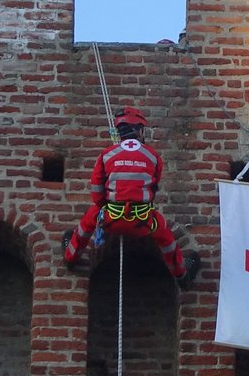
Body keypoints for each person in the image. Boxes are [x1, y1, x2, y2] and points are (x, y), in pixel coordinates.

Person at [64, 107, 202, 286]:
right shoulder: (153, 156)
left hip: (110, 220)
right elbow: (153, 190)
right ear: (139, 129)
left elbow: (97, 193)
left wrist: (108, 205)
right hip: (142, 222)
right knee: (166, 237)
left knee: (88, 221)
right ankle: (182, 274)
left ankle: (71, 255)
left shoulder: (106, 155)